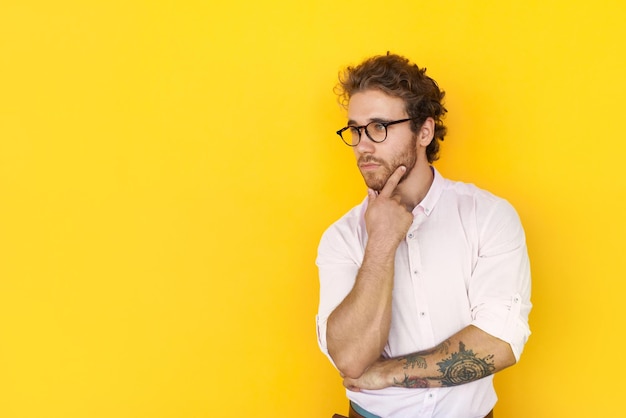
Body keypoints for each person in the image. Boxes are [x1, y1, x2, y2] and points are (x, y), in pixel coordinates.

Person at [316, 53, 532, 418]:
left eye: (379, 126)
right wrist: (381, 243)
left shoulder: (488, 216)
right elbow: (351, 360)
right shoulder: (341, 237)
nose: (363, 145)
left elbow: (499, 342)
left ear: (425, 132)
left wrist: (387, 373)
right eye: (355, 130)